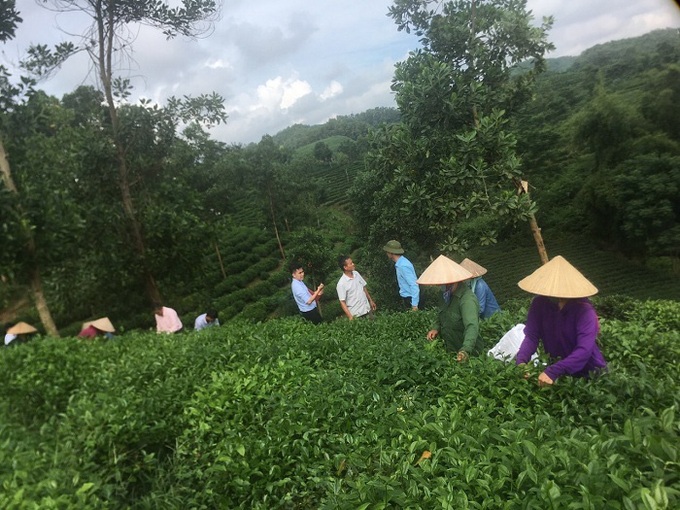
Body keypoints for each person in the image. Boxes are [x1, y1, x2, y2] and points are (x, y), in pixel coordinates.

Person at [515, 255, 607, 386]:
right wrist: (522, 362)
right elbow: (532, 336)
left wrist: (553, 371)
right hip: (559, 373)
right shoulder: (540, 303)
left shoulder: (585, 311)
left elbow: (584, 350)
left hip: (590, 374)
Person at [418, 255, 483, 362]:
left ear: (452, 281)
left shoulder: (467, 299)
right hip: (451, 349)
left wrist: (465, 350)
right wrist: (435, 328)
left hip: (471, 355)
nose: (440, 286)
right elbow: (441, 315)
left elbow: (472, 326)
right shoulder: (444, 295)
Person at [383, 240, 421, 311]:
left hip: (410, 298)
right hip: (407, 297)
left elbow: (414, 285)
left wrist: (414, 305)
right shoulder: (400, 263)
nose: (386, 253)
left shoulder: (403, 266)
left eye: (387, 251)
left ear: (391, 253)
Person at [336, 255, 376, 320]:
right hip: (356, 314)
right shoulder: (341, 284)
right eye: (351, 264)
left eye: (352, 262)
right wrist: (350, 317)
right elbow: (342, 302)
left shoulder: (356, 274)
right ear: (345, 267)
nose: (353, 264)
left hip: (367, 309)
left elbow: (364, 287)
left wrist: (370, 300)